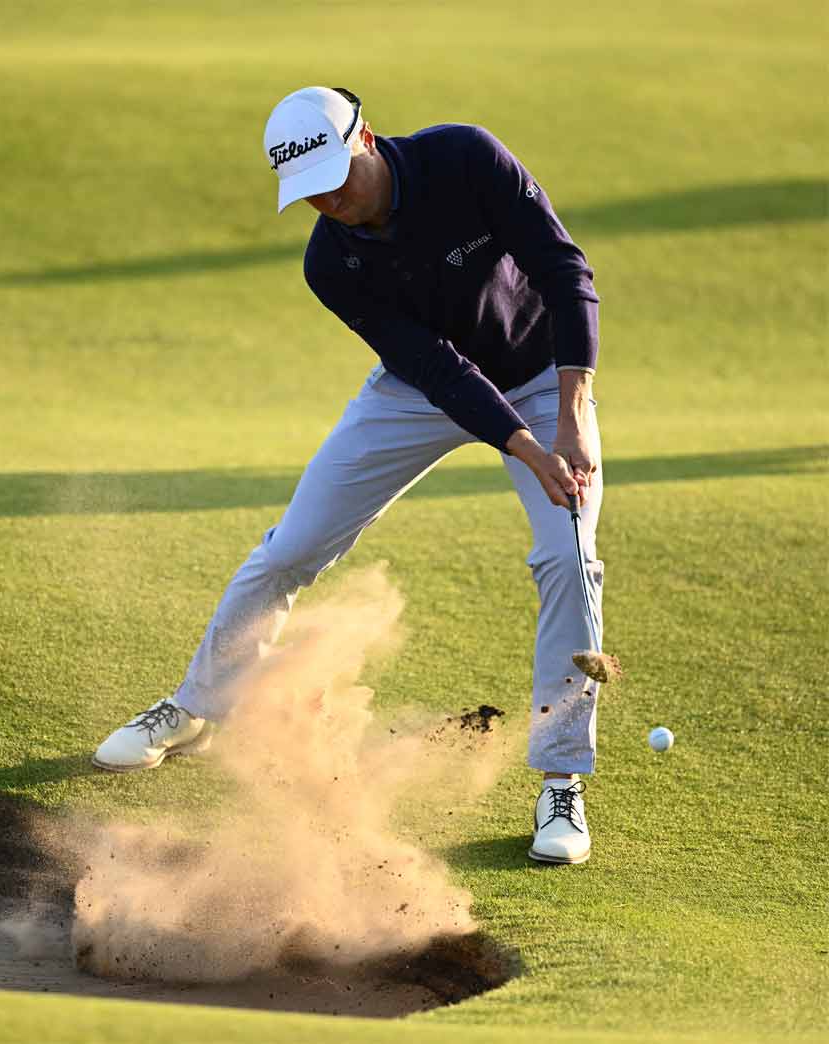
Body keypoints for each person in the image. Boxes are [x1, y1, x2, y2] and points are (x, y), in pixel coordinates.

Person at [92, 88, 606, 865]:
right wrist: (523, 449)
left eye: (337, 175)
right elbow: (436, 368)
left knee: (568, 558)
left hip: (545, 375)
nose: (328, 200)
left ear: (366, 137)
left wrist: (566, 414)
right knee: (293, 545)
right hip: (422, 390)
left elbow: (564, 269)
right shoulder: (329, 260)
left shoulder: (463, 157)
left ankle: (561, 779)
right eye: (308, 194)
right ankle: (196, 706)